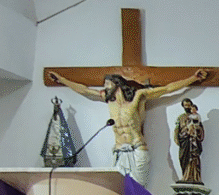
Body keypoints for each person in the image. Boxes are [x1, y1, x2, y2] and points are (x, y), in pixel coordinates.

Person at [47, 69, 208, 186]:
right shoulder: (108, 100)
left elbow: (167, 89)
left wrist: (193, 78)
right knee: (121, 193)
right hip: (119, 151)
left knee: (139, 191)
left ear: (117, 84)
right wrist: (62, 79)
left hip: (137, 147)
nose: (105, 88)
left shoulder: (138, 96)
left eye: (107, 84)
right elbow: (84, 90)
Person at [174, 98, 205, 184]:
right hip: (184, 141)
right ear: (183, 106)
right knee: (183, 158)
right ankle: (185, 176)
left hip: (193, 142)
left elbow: (201, 131)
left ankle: (195, 177)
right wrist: (177, 138)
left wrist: (196, 129)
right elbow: (177, 130)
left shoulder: (196, 117)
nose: (187, 107)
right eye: (185, 105)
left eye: (188, 105)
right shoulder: (181, 117)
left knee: (194, 159)